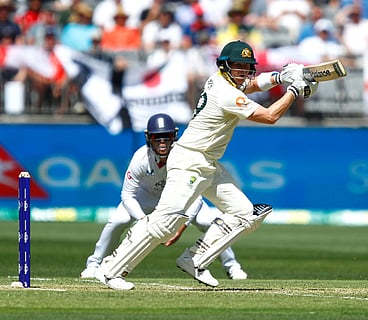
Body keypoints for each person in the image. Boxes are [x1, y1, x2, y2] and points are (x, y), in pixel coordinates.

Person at [95, 40, 318, 290]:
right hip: (189, 160)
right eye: (237, 66)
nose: (243, 72)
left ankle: (195, 260)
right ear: (224, 67)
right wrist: (294, 90)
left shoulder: (221, 81)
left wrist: (280, 77)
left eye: (247, 67)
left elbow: (251, 84)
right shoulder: (226, 93)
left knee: (244, 213)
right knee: (164, 223)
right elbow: (269, 116)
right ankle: (109, 270)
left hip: (207, 162)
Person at [81, 113, 248, 283]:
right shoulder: (141, 158)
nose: (162, 142)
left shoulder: (183, 157)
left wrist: (181, 226)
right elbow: (127, 195)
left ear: (173, 136)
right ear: (148, 137)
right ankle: (93, 265)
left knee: (208, 222)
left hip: (182, 199)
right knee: (117, 221)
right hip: (146, 199)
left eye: (166, 137)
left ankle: (232, 266)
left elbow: (195, 196)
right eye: (157, 137)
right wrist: (144, 220)